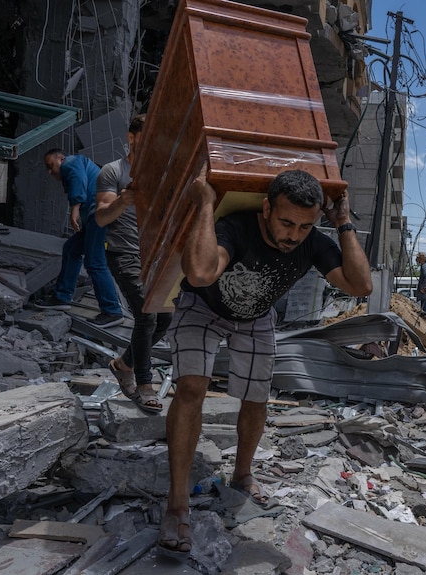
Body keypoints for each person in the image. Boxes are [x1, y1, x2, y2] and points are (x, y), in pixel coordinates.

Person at [158, 166, 372, 554]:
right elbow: (202, 273)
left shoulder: (313, 242)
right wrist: (206, 204)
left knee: (256, 397)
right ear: (266, 208)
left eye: (304, 226)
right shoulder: (237, 227)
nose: (294, 235)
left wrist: (342, 223)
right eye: (286, 222)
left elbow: (361, 285)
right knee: (192, 385)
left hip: (255, 316)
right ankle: (177, 504)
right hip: (202, 307)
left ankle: (242, 475)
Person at [95, 114, 172, 413]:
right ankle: (145, 384)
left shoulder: (162, 172)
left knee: (164, 319)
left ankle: (123, 364)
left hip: (156, 255)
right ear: (132, 137)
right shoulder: (113, 171)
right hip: (123, 252)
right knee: (146, 316)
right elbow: (102, 216)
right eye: (147, 135)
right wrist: (124, 201)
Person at [36, 149, 124, 328]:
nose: (49, 171)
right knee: (71, 249)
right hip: (95, 218)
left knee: (94, 262)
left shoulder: (71, 162)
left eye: (50, 166)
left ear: (61, 158)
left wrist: (74, 209)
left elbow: (79, 181)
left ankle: (112, 311)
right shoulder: (76, 164)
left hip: (98, 217)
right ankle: (62, 297)